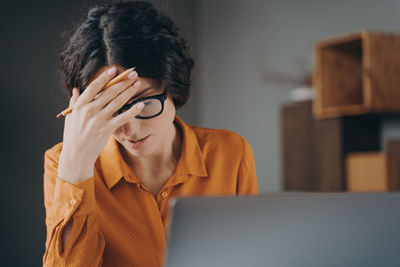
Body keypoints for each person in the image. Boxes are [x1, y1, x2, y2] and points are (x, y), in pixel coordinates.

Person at [42, 1, 259, 266]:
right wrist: (77, 164)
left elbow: (249, 255)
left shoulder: (230, 152)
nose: (129, 129)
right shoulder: (62, 163)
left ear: (172, 86)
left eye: (144, 103)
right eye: (110, 108)